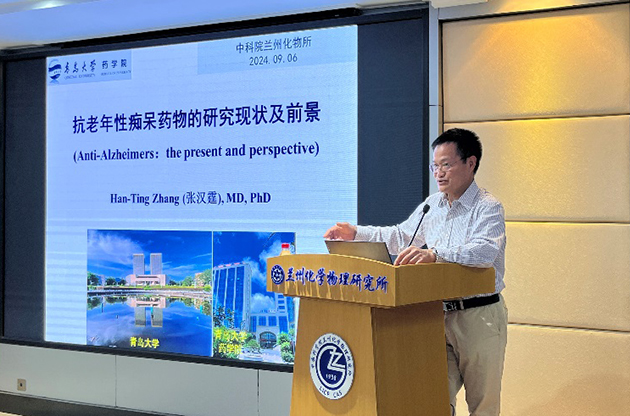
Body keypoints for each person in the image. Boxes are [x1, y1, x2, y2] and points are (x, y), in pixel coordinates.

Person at [323, 128, 507, 416]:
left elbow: (485, 252)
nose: (439, 173)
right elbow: (400, 236)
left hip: (479, 316)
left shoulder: (487, 207)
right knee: (433, 399)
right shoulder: (432, 205)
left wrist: (435, 254)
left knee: (483, 405)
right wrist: (355, 233)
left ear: (470, 163)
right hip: (436, 314)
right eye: (435, 166)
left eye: (446, 164)